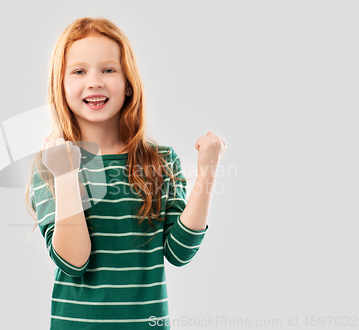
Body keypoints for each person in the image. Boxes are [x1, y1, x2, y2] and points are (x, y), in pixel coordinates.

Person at [24, 17, 226, 330]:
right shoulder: (50, 165)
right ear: (60, 84)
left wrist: (207, 174)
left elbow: (180, 252)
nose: (95, 81)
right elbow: (73, 262)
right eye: (79, 71)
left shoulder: (161, 161)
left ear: (128, 82)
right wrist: (65, 177)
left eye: (108, 69)